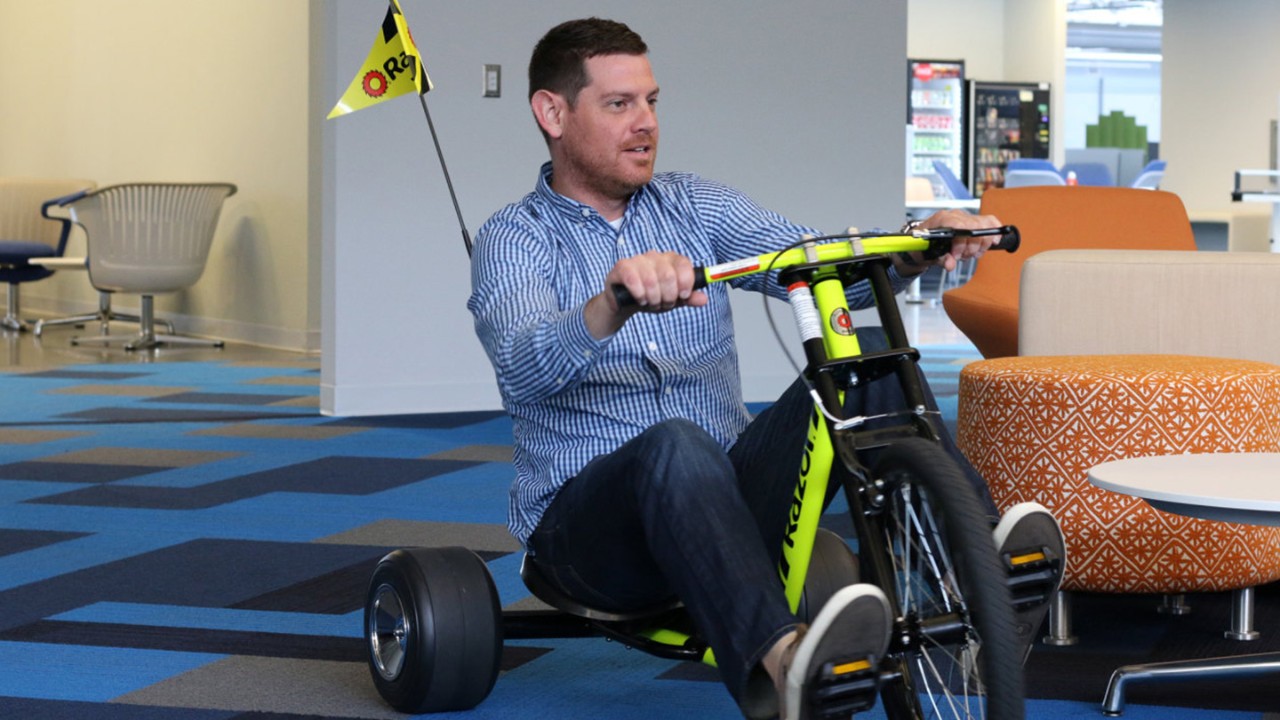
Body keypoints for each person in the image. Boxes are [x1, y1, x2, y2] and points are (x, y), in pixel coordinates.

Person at [468, 17, 1063, 720]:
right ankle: (783, 669)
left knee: (861, 370)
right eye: (619, 104)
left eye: (652, 101)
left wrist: (913, 249)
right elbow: (523, 365)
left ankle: (981, 571)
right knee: (674, 444)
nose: (646, 124)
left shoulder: (694, 204)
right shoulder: (514, 238)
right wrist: (611, 304)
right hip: (589, 535)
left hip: (723, 499)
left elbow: (813, 264)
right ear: (553, 113)